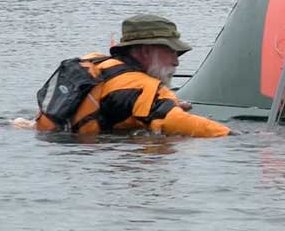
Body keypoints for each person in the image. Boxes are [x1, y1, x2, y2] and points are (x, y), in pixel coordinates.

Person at [35, 14, 229, 138]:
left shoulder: (96, 62)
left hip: (51, 136)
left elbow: (114, 100)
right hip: (88, 145)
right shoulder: (147, 90)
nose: (176, 61)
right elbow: (177, 122)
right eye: (171, 52)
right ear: (145, 51)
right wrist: (232, 135)